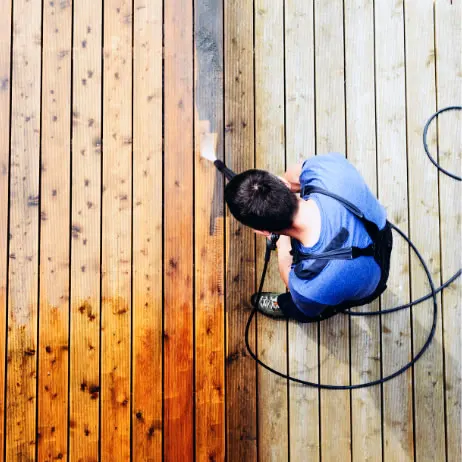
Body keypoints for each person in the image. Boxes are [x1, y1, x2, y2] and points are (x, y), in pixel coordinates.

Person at [224, 153, 393, 322]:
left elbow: (289, 276)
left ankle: (283, 305)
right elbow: (292, 175)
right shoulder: (329, 168)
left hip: (369, 288)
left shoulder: (306, 284)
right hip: (382, 237)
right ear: (282, 183)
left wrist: (282, 242)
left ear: (263, 232)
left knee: (302, 308)